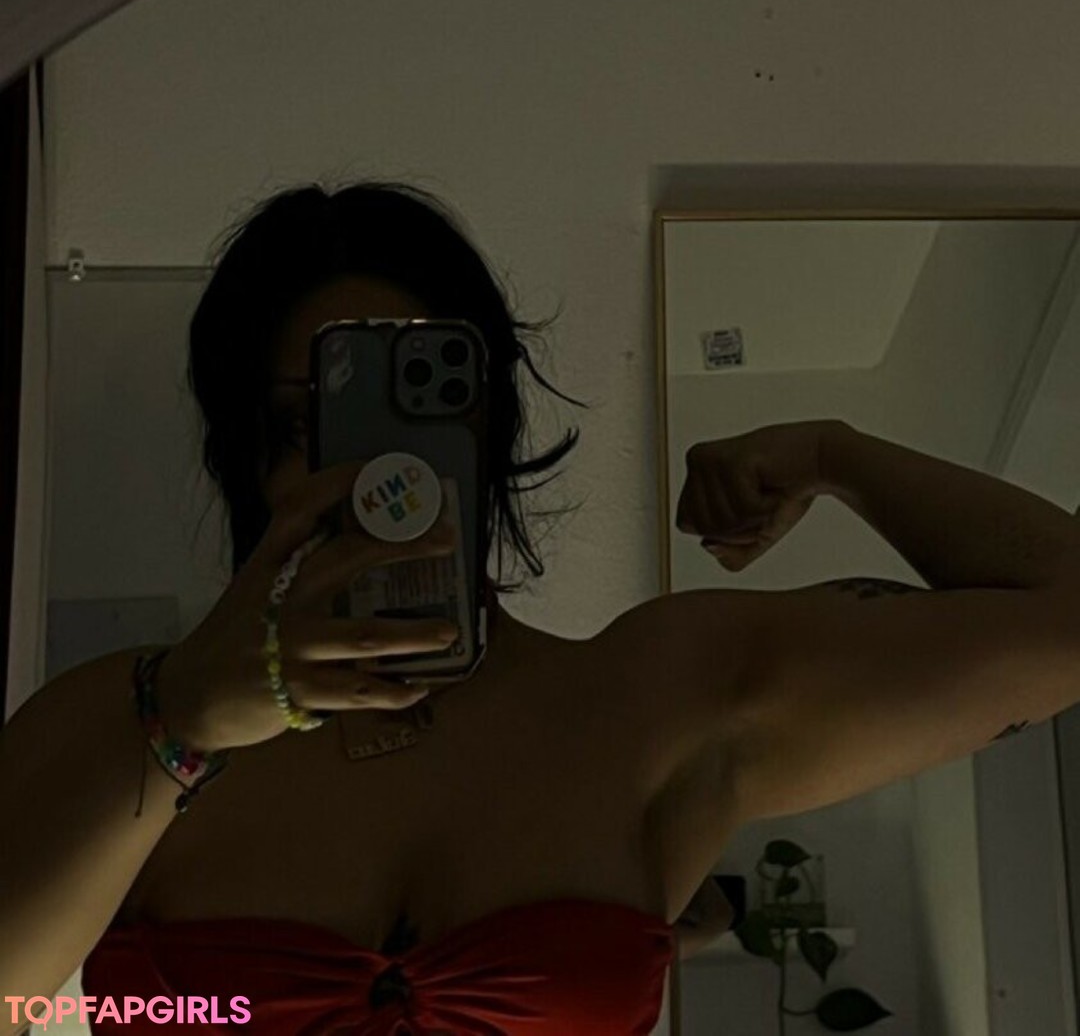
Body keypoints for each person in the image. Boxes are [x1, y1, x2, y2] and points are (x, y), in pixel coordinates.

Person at [4, 180, 1080, 1036]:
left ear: (489, 427)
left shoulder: (651, 703)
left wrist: (837, 455)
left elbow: (1065, 621)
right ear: (247, 458)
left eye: (415, 415)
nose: (372, 476)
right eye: (304, 427)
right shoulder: (119, 722)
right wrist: (179, 728)